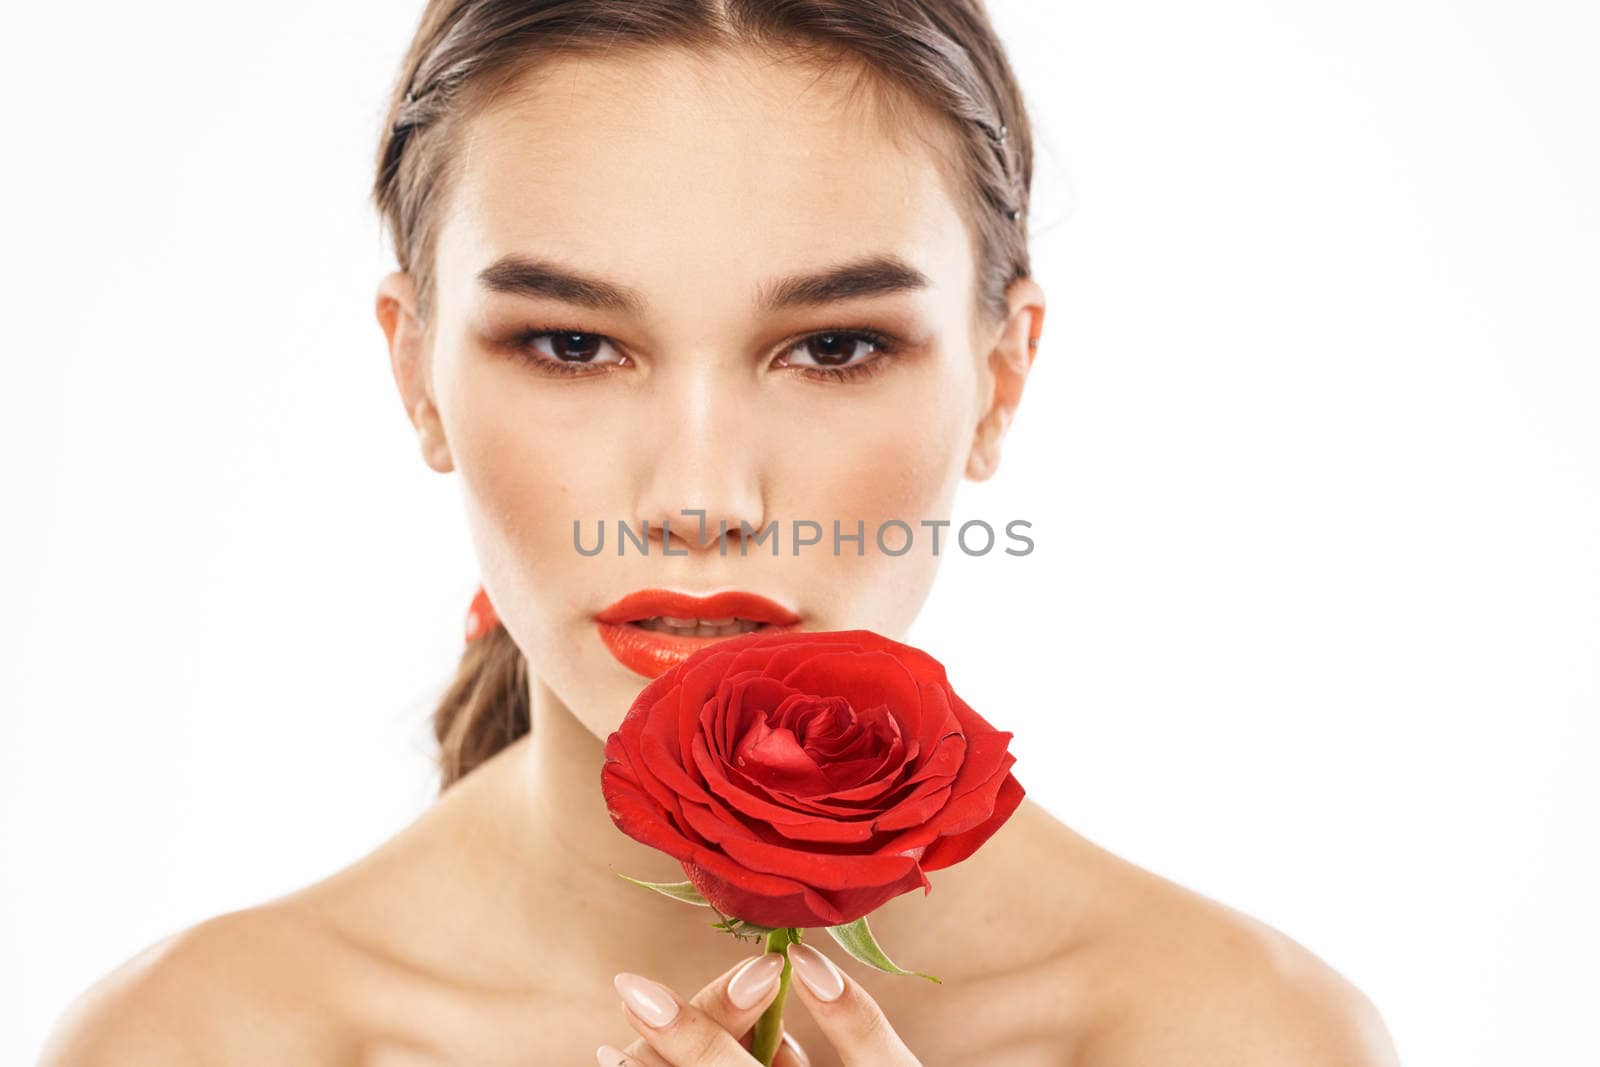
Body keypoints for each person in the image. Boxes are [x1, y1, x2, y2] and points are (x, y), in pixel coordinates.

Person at [40, 2, 1400, 1064]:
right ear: (416, 372)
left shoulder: (1239, 1040)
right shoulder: (195, 1045)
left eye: (833, 345)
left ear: (1001, 375)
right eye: (573, 343)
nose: (701, 497)